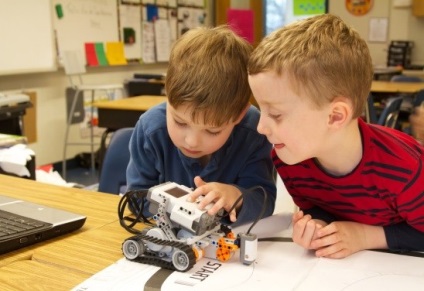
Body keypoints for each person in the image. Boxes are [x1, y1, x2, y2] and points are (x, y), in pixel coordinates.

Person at [248, 14, 424, 259]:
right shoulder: (288, 156)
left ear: (335, 117)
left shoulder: (407, 169)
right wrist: (316, 226)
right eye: (261, 109)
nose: (260, 127)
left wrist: (364, 236)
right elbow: (318, 208)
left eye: (275, 114)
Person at [126, 25, 276, 226]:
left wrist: (236, 196)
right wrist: (181, 211)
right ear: (168, 96)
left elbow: (264, 201)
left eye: (212, 131)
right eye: (180, 122)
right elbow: (136, 199)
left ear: (238, 116)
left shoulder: (253, 132)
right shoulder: (150, 129)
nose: (192, 141)